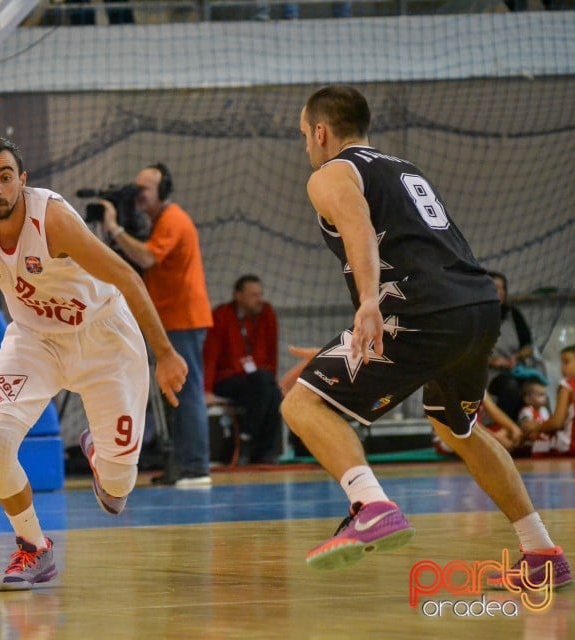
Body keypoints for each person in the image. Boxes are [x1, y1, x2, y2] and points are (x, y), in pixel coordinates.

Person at [283, 85, 570, 588]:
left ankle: (370, 506)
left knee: (302, 405)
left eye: (305, 133)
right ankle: (541, 553)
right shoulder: (402, 167)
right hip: (478, 306)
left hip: (420, 310)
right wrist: (350, 333)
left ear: (321, 132)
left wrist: (369, 303)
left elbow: (358, 229)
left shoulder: (329, 174)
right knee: (455, 427)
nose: (306, 142)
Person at [0, 137, 187, 591]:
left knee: (117, 493)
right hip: (34, 342)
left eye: (5, 176)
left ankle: (104, 455)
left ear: (21, 181)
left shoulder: (53, 220)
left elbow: (124, 275)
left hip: (104, 337)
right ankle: (33, 546)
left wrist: (164, 353)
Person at [101, 162, 214, 487]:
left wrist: (115, 230)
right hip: (170, 318)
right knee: (173, 393)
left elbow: (147, 258)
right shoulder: (158, 220)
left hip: (183, 318)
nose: (138, 195)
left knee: (187, 391)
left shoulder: (173, 219)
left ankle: (196, 467)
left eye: (145, 189)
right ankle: (182, 465)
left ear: (162, 192)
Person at [203, 274, 283, 464]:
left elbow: (273, 354)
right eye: (253, 295)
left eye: (260, 294)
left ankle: (265, 452)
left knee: (272, 390)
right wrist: (205, 390)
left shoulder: (267, 314)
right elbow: (210, 355)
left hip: (259, 380)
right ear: (238, 296)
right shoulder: (222, 315)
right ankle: (249, 441)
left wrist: (273, 382)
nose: (259, 299)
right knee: (265, 385)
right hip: (228, 379)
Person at [487, 270, 538, 421]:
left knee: (535, 389)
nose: (500, 292)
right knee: (511, 387)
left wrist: (516, 357)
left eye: (503, 288)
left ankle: (535, 432)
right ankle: (507, 433)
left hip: (517, 370)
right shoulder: (477, 316)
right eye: (496, 288)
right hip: (490, 374)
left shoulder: (513, 314)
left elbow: (528, 347)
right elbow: (468, 353)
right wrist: (493, 361)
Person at [520, 345, 575, 457]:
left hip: (569, 444)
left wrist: (535, 427)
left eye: (566, 362)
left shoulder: (567, 385)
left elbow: (557, 423)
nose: (562, 368)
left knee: (531, 443)